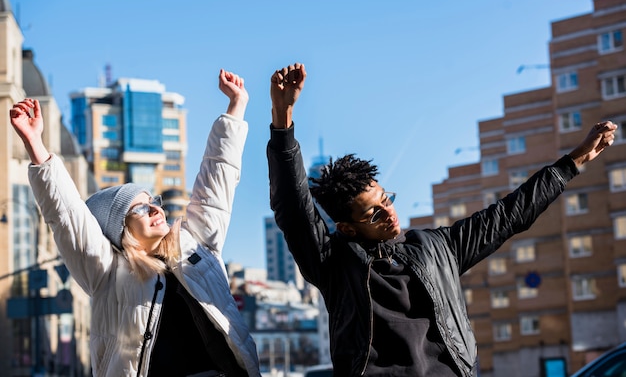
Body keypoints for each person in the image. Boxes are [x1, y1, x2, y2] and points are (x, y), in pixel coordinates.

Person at [266, 62, 617, 377]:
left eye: (386, 199)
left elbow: (510, 214)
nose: (389, 212)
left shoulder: (436, 248)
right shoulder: (336, 265)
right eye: (373, 213)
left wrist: (571, 164)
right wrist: (283, 119)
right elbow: (294, 209)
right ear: (346, 227)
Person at [10, 69, 260, 377]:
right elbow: (67, 218)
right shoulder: (108, 274)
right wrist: (35, 143)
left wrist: (236, 106)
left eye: (154, 202)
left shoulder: (198, 245)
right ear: (120, 231)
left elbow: (217, 180)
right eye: (140, 209)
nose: (156, 210)